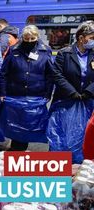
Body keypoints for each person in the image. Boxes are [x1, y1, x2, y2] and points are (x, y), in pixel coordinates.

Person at [0, 25, 53, 151]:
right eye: (26, 39)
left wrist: (47, 94)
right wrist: (3, 92)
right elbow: (4, 73)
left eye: (32, 38)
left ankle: (20, 149)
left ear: (37, 37)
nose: (29, 41)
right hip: (15, 94)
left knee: (29, 125)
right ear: (22, 38)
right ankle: (16, 150)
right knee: (15, 126)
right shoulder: (13, 50)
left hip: (35, 95)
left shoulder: (45, 51)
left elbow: (50, 75)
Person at [48, 21, 94, 163]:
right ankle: (58, 165)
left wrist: (88, 91)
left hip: (87, 101)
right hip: (64, 101)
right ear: (81, 38)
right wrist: (72, 92)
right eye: (92, 37)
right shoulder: (65, 53)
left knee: (82, 136)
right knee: (60, 136)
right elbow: (57, 75)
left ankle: (79, 167)